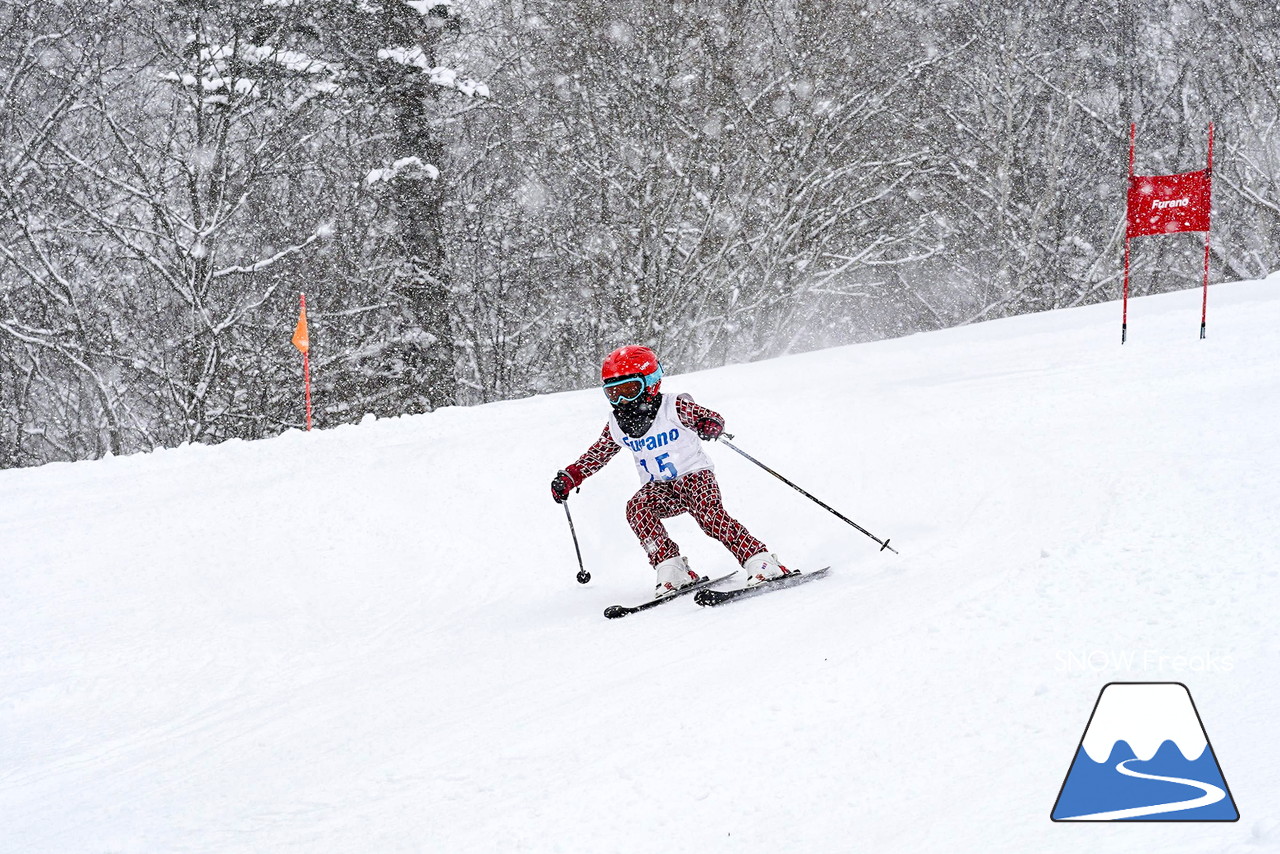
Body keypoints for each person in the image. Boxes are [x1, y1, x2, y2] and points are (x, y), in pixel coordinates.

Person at [551, 345, 792, 598]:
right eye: (613, 393)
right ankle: (671, 567)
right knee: (637, 509)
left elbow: (710, 416)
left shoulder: (673, 406)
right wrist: (570, 476)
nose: (622, 401)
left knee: (709, 518)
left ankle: (760, 560)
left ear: (650, 382)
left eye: (629, 390)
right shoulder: (617, 423)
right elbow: (598, 453)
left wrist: (708, 424)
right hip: (659, 487)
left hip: (695, 476)